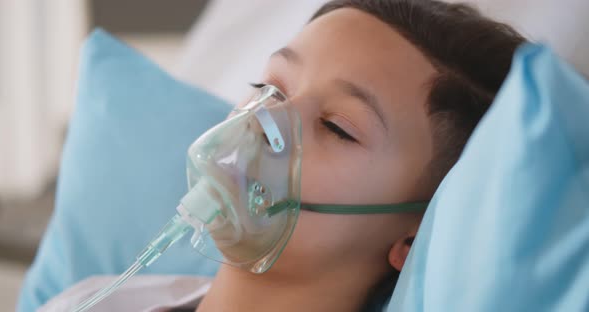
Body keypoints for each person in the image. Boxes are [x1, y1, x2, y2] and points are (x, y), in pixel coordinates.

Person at [40, 0, 526, 311]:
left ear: (413, 236)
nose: (260, 123)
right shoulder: (99, 300)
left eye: (336, 127)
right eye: (270, 88)